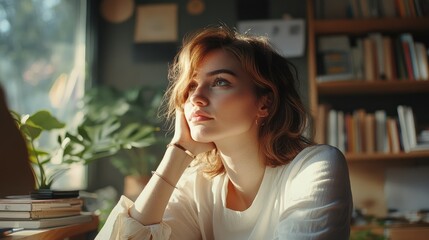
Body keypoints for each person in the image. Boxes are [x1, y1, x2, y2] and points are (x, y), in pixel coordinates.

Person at [96, 25, 353, 240]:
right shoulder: (197, 183)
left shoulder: (314, 167)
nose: (196, 97)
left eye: (220, 82)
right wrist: (178, 152)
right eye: (192, 85)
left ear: (265, 103)